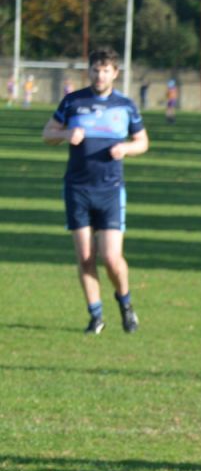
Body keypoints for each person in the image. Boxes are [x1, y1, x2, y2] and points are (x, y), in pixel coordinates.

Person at [41, 47, 149, 334]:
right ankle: (96, 315)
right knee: (86, 256)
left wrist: (126, 147)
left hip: (111, 190)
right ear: (88, 71)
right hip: (77, 188)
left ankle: (125, 303)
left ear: (115, 73)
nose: (99, 75)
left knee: (111, 257)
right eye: (95, 69)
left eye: (105, 70)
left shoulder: (125, 106)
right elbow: (47, 133)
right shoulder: (72, 102)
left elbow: (143, 142)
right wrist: (65, 134)